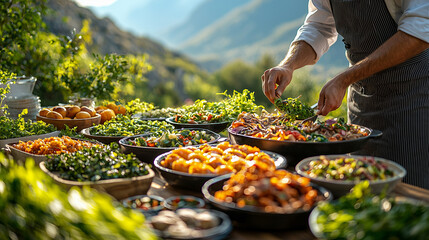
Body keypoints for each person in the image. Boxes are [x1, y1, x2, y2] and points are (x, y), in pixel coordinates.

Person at [262, 0, 429, 188]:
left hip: (413, 96)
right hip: (361, 100)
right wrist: (288, 65)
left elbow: (419, 32)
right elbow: (319, 26)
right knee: (357, 184)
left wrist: (344, 79)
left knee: (408, 188)